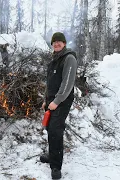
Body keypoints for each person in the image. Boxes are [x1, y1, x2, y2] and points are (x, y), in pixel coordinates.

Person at [41, 32, 77, 179]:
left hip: (62, 101)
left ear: (64, 43)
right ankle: (52, 154)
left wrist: (57, 101)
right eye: (54, 42)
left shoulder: (69, 58)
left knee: (56, 131)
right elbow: (49, 83)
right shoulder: (54, 60)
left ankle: (56, 167)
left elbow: (67, 83)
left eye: (59, 42)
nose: (56, 44)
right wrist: (46, 99)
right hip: (51, 100)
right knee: (50, 129)